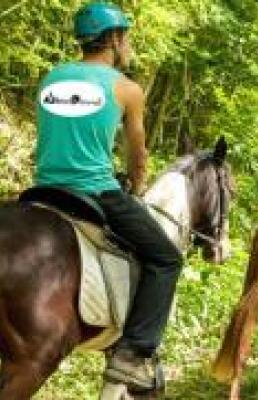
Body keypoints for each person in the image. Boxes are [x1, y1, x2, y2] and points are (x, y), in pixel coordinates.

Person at [34, 2, 181, 391]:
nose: (128, 43)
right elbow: (137, 152)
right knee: (167, 258)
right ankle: (133, 352)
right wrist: (136, 181)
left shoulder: (51, 77)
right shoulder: (126, 88)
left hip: (43, 189)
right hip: (95, 191)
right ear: (114, 38)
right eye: (126, 36)